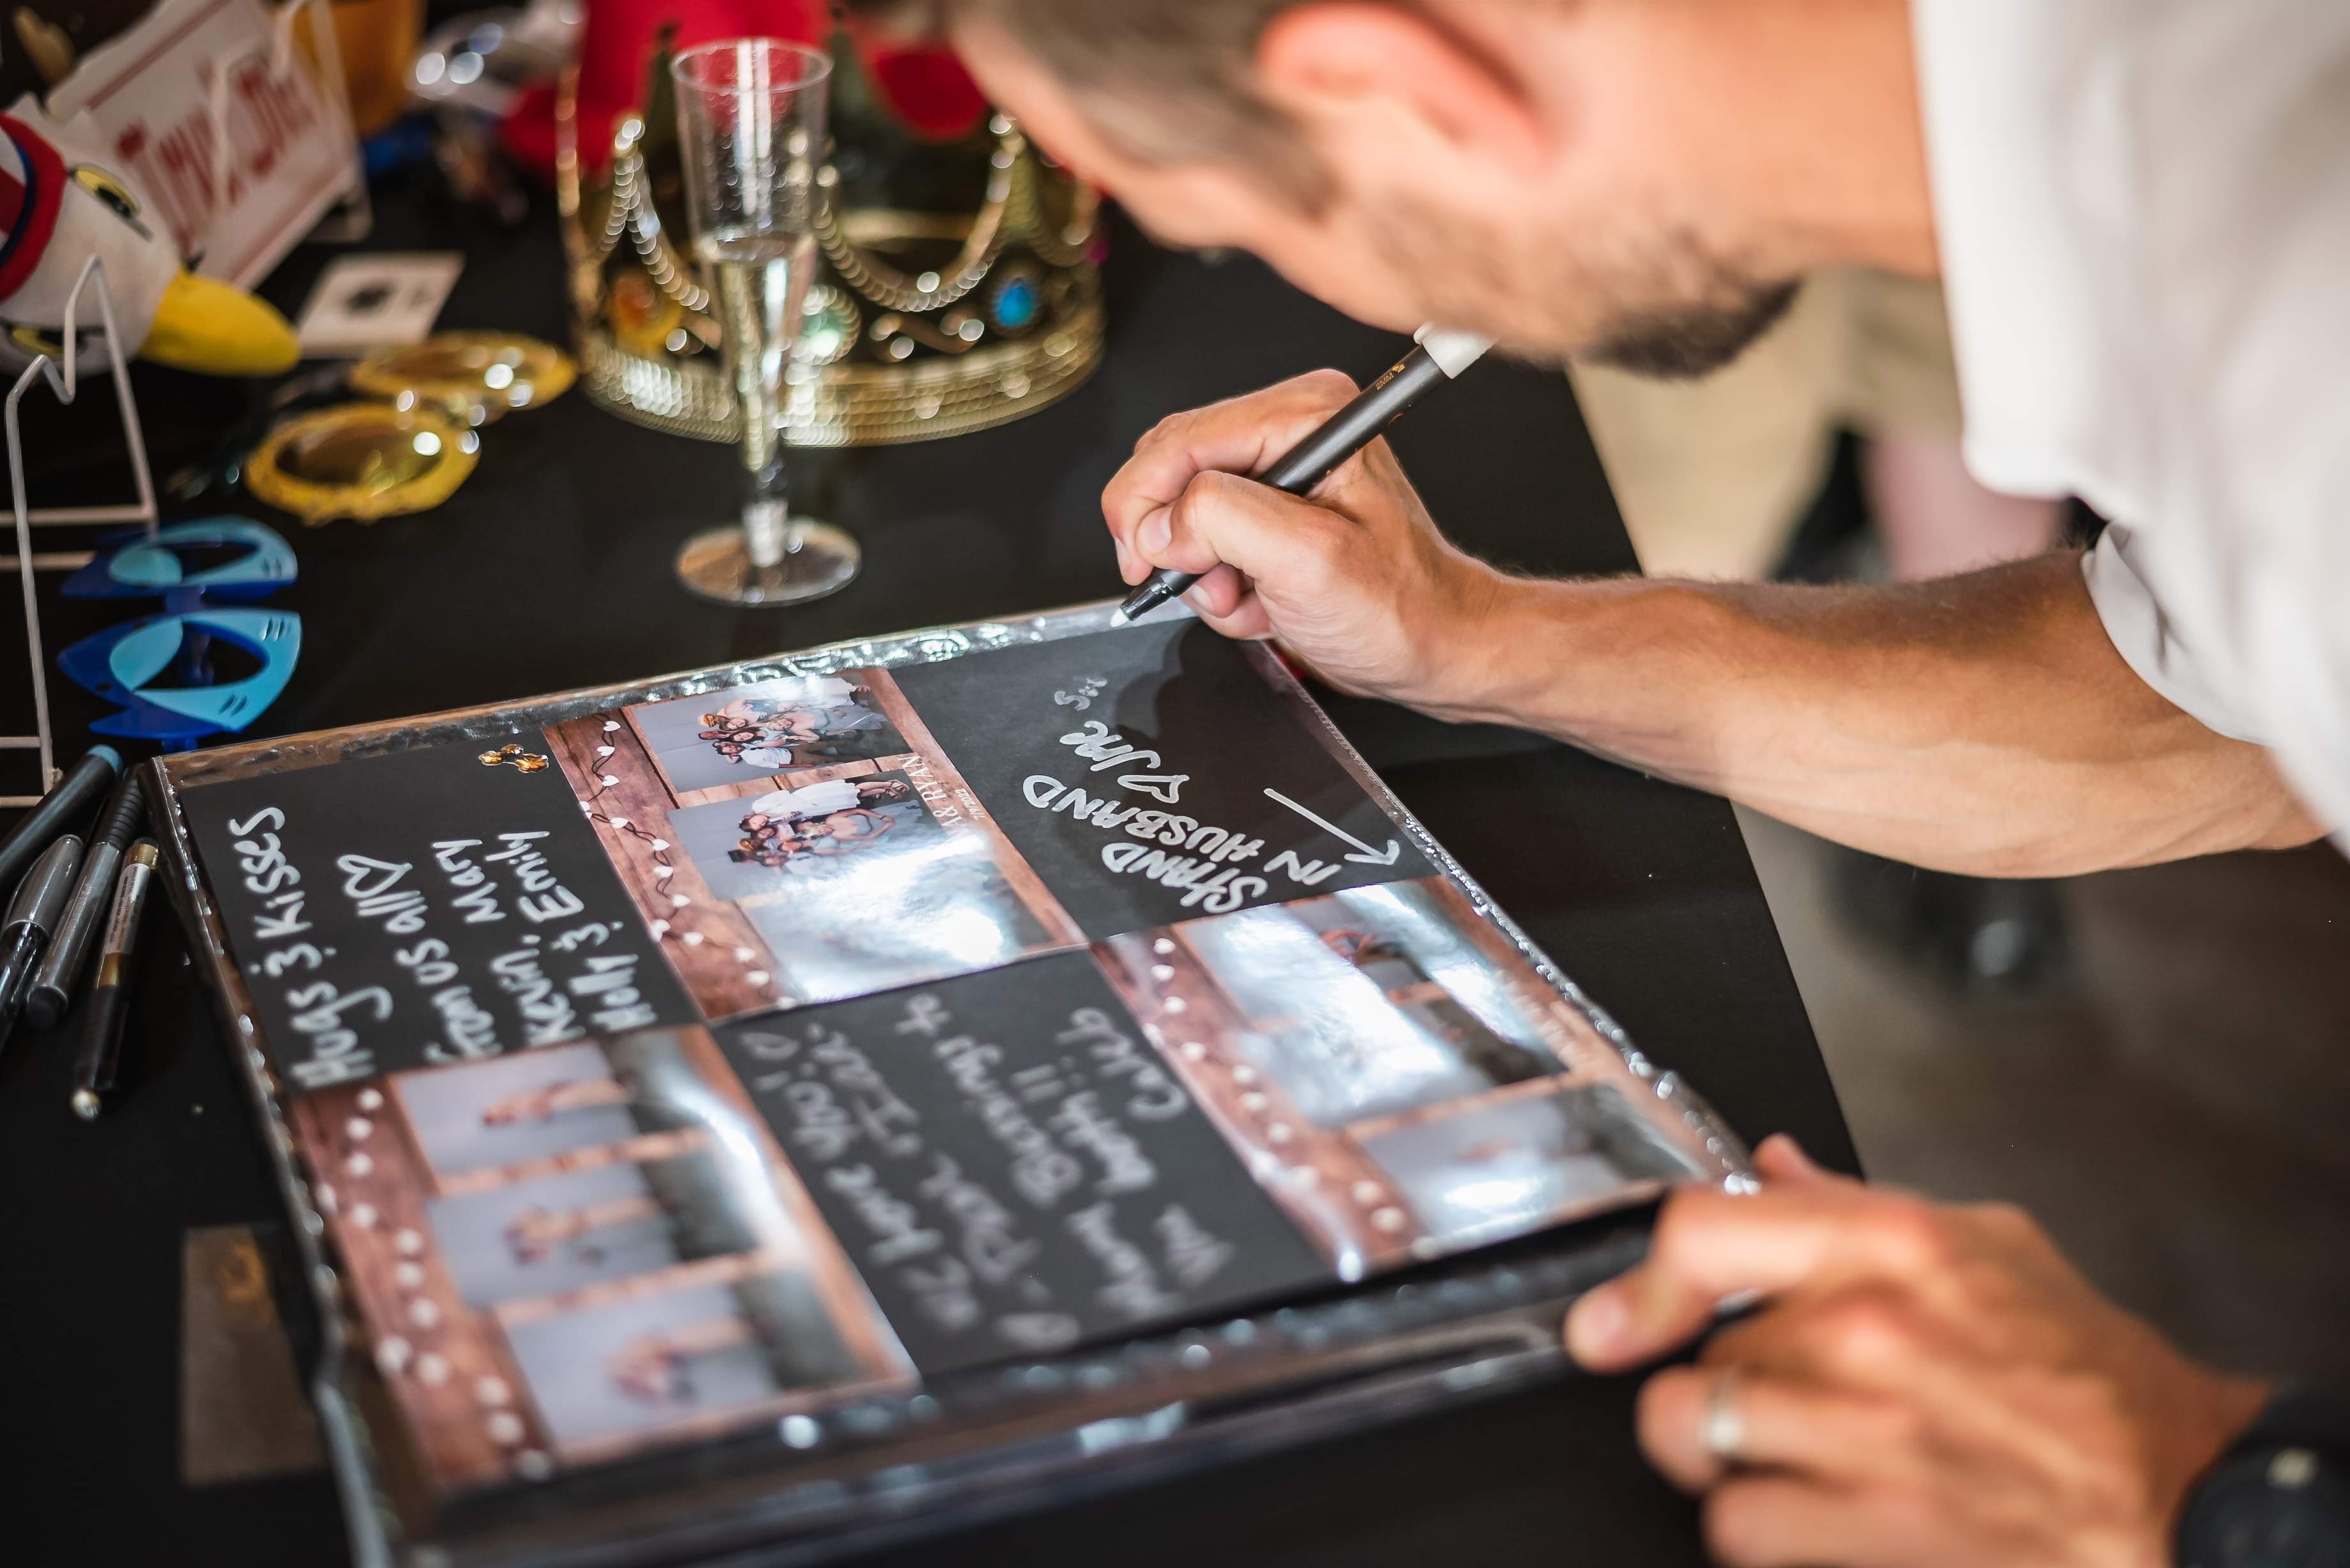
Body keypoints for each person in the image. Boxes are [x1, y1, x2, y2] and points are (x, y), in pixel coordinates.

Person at [842, 2, 2350, 1562]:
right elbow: (2208, 713)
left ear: (1387, 86)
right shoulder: (2160, 124)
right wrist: (1469, 634)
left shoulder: (2299, 319)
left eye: (1224, 226)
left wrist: (2211, 1488)